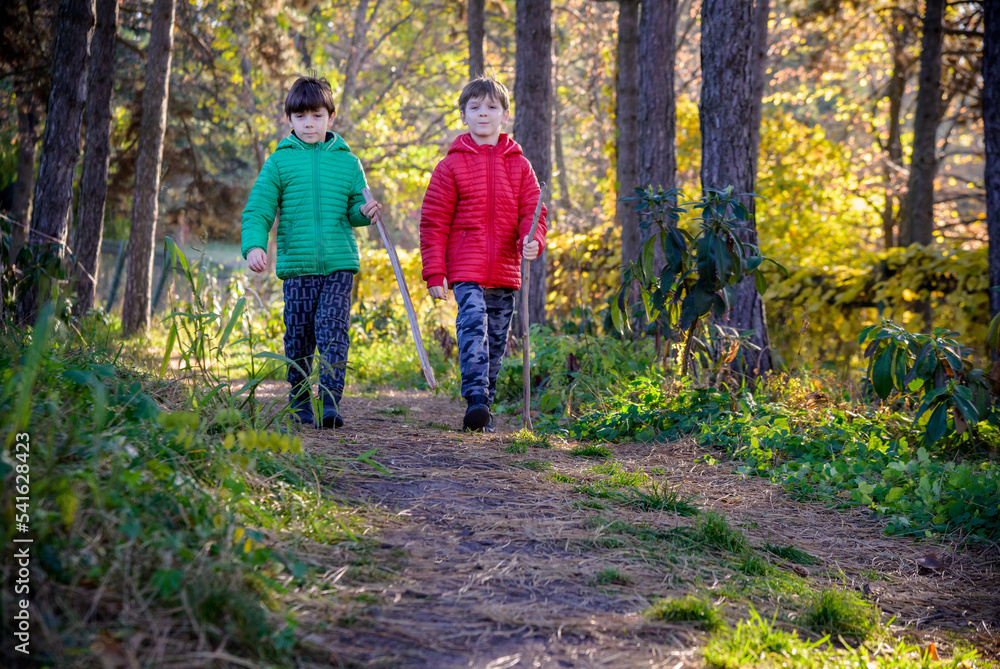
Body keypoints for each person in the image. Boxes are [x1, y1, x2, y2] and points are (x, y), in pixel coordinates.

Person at [241, 75, 381, 428]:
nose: (309, 124)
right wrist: (255, 245)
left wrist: (363, 213)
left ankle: (331, 402)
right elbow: (259, 209)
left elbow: (354, 208)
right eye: (301, 117)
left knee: (333, 329)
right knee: (299, 334)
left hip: (338, 263)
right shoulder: (278, 163)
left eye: (317, 116)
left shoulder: (349, 163)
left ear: (331, 118)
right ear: (289, 119)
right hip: (298, 266)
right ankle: (301, 399)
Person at [419, 76, 547, 432]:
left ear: (505, 115)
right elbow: (433, 221)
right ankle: (475, 398)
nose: (483, 113)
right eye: (474, 107)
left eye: (491, 107)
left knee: (496, 342)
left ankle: (484, 407)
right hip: (466, 268)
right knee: (474, 326)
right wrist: (435, 273)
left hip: (505, 269)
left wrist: (531, 238)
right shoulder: (451, 166)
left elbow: (533, 212)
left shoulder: (520, 166)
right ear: (463, 115)